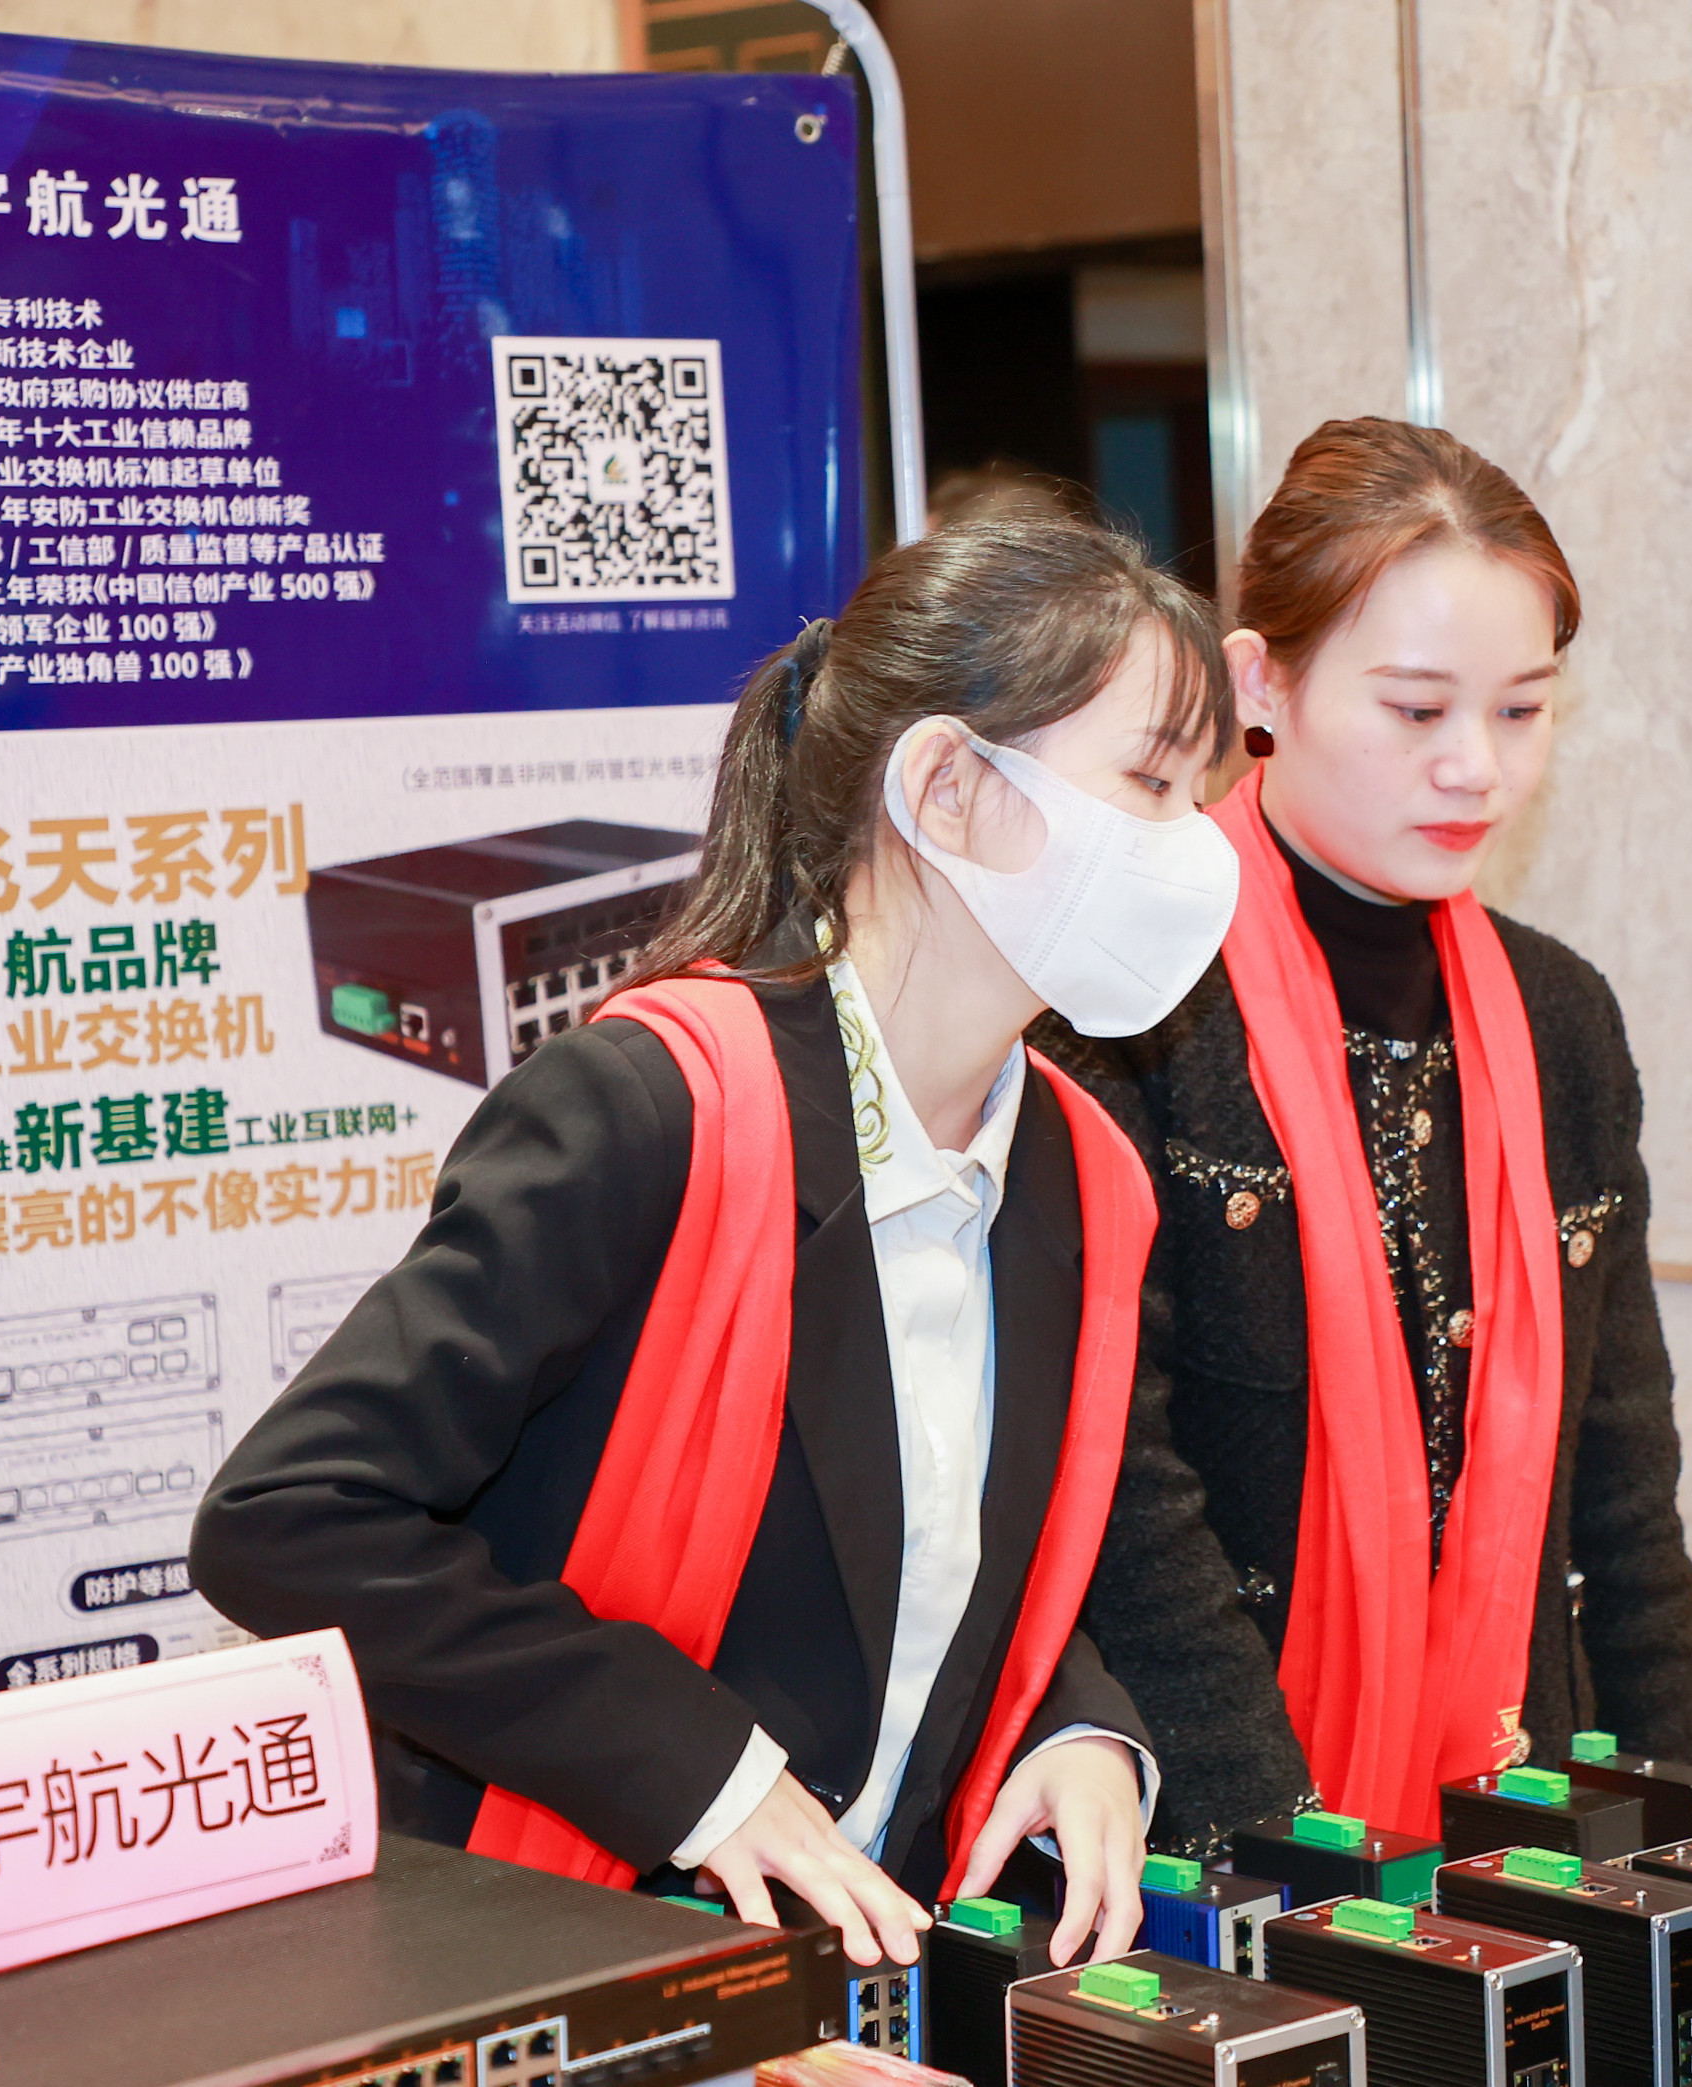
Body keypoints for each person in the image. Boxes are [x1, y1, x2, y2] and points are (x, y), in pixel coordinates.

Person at [192, 513, 1243, 1970]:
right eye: (1149, 785)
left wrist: (1076, 1728)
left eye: (1200, 796)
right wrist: (697, 1767)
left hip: (858, 1968)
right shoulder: (650, 1105)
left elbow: (927, 1541)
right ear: (946, 787)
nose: (1192, 850)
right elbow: (290, 1520)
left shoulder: (1081, 1170)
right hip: (553, 1945)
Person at [1045, 417, 1692, 1850]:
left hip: (1520, 1802)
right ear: (1263, 683)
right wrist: (1291, 1858)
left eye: (1522, 711)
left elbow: (1621, 1493)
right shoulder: (1127, 1003)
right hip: (1216, 1821)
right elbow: (1118, 1497)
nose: (1477, 768)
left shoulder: (1558, 1017)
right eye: (1418, 712)